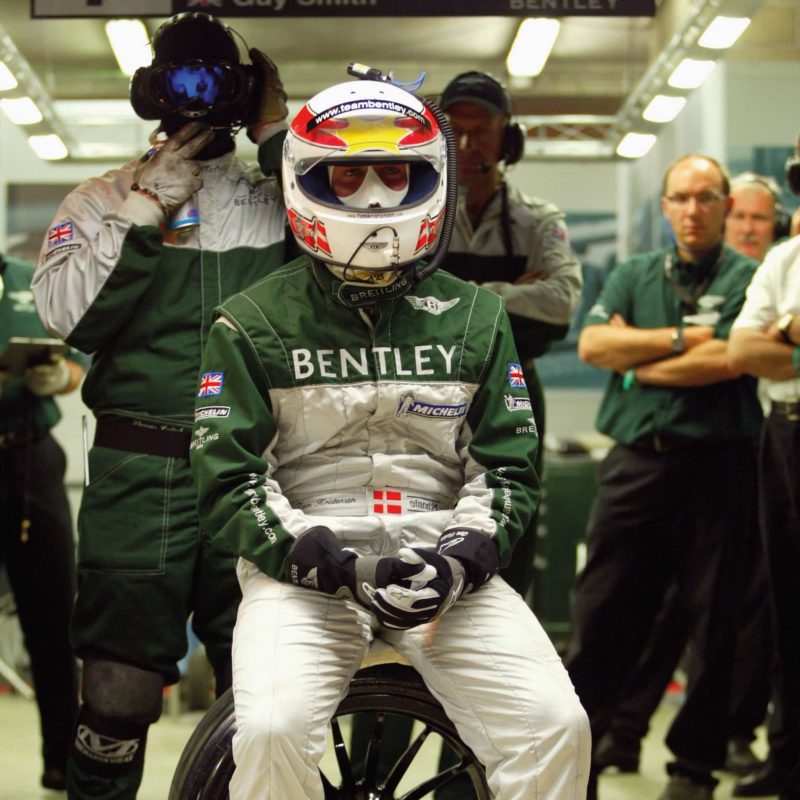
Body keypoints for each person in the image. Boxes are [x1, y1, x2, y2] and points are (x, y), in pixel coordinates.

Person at [189, 70, 590, 800]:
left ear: (428, 178)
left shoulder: (476, 317)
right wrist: (329, 564)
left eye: (397, 173)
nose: (373, 196)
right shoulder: (250, 321)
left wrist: (463, 559)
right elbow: (229, 479)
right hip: (304, 576)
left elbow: (507, 468)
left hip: (447, 567)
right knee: (273, 730)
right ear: (304, 179)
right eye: (346, 173)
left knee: (558, 725)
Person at [31, 12, 289, 799]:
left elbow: (353, 254)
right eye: (183, 78)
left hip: (256, 472)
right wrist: (144, 211)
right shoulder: (100, 200)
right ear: (151, 92)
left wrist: (279, 131)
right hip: (139, 472)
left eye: (218, 78)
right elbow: (67, 318)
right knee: (116, 694)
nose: (196, 98)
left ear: (242, 92)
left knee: (269, 694)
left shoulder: (283, 199)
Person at [564, 154, 763, 800]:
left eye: (707, 198)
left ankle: (693, 769)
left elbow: (731, 359)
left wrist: (641, 356)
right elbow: (595, 348)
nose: (693, 210)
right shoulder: (632, 273)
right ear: (665, 206)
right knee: (601, 615)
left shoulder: (748, 278)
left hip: (719, 469)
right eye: (681, 198)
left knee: (714, 624)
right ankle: (579, 753)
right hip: (635, 466)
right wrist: (684, 339)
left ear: (725, 207)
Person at [438, 70, 582, 603]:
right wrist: (512, 295)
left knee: (510, 518)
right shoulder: (419, 215)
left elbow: (561, 301)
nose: (472, 144)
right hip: (427, 393)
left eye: (485, 131)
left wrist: (451, 297)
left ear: (509, 140)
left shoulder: (539, 220)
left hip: (513, 389)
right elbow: (397, 300)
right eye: (458, 131)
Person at [727, 147, 800, 800]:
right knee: (785, 608)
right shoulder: (785, 260)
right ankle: (788, 763)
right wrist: (790, 327)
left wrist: (788, 332)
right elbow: (743, 350)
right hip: (787, 433)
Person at [0, 252, 83, 792]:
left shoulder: (29, 282)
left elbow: (76, 365)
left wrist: (55, 375)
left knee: (54, 623)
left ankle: (63, 763)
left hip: (28, 460)